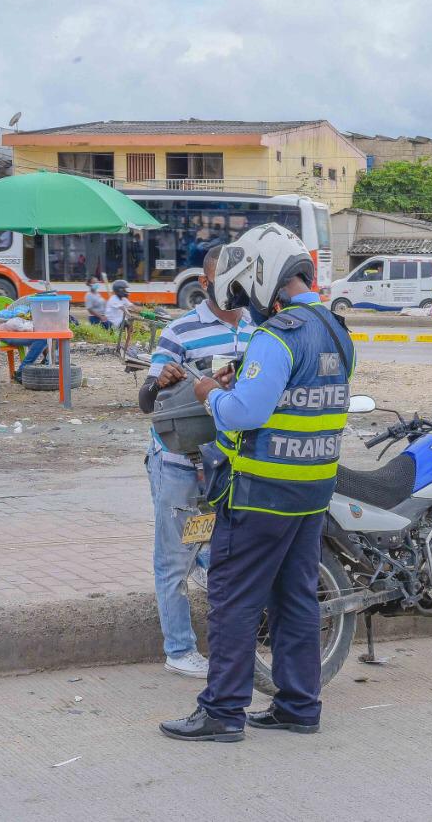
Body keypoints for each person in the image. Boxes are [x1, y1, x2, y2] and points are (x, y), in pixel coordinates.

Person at [160, 222, 355, 742]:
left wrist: (206, 392)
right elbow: (297, 393)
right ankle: (299, 705)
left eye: (249, 292)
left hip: (258, 493)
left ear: (266, 276)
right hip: (312, 490)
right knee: (296, 599)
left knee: (235, 600)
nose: (249, 307)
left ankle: (222, 711)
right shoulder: (335, 328)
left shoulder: (278, 335)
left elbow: (245, 412)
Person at [137, 248, 255, 680]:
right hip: (180, 462)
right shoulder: (180, 331)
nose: (233, 287)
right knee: (173, 559)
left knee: (218, 549)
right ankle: (179, 649)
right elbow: (146, 401)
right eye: (222, 279)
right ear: (204, 285)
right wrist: (160, 379)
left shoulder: (258, 328)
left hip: (229, 464)